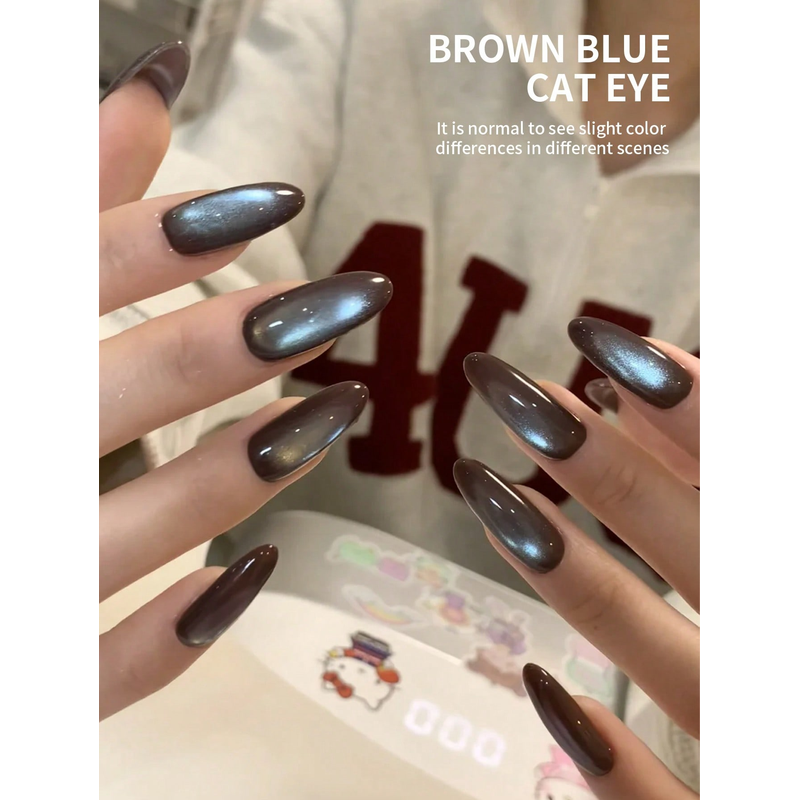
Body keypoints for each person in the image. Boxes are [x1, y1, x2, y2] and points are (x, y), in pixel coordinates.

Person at [99, 0, 700, 793]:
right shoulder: (369, 17)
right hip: (246, 688)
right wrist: (121, 383)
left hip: (592, 754)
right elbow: (206, 261)